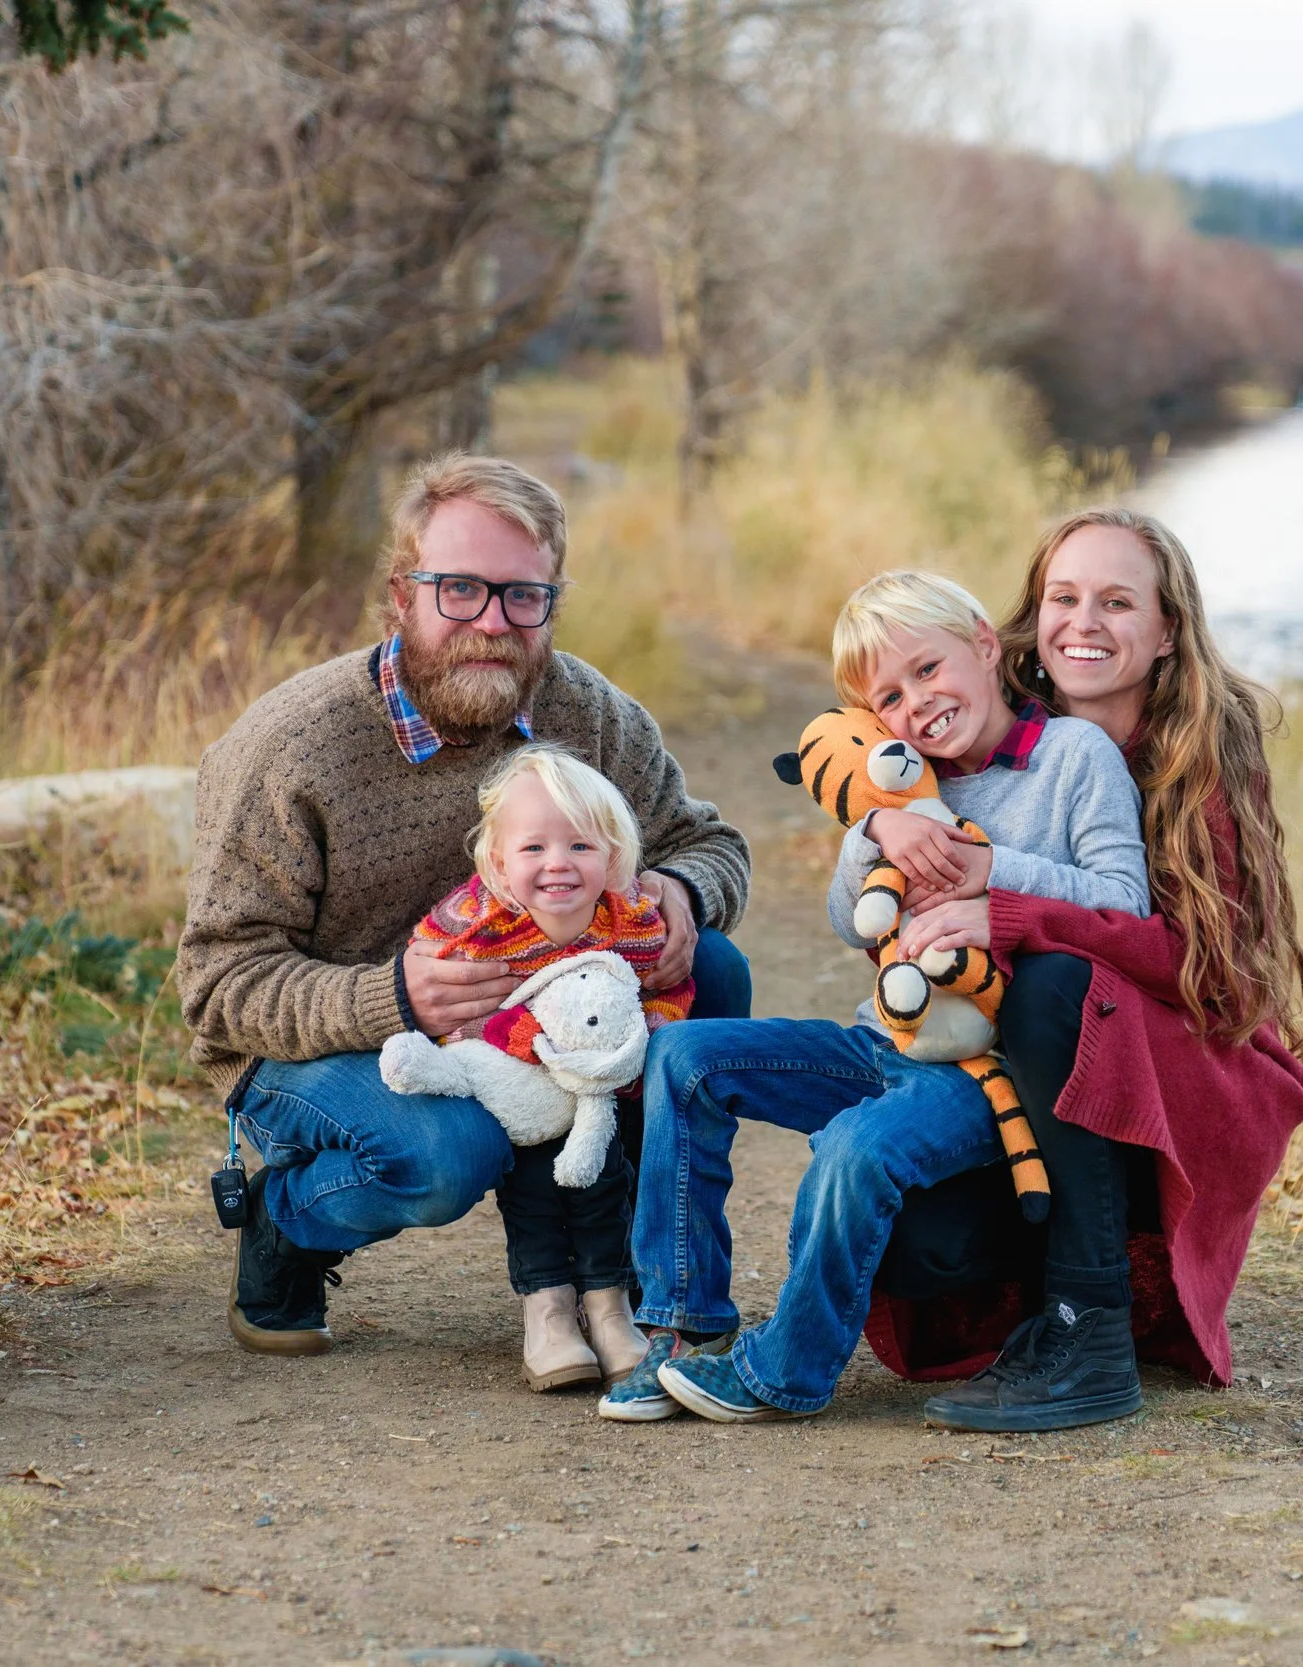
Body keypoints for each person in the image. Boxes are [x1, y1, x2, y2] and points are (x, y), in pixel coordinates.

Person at [175, 454, 752, 1357]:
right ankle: (286, 1219)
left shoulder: (588, 713)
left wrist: (682, 891)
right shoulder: (291, 747)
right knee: (452, 1153)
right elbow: (217, 989)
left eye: (523, 596)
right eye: (461, 591)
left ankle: (635, 1263)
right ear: (401, 594)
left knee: (712, 968)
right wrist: (393, 997)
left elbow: (708, 843)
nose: (493, 622)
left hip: (536, 1008)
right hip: (323, 1044)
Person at [600, 571, 1149, 1423]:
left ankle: (787, 1369)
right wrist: (875, 827)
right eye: (888, 696)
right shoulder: (903, 780)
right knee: (684, 1054)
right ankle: (681, 1324)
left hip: (983, 1071)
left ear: (981, 640)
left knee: (857, 1148)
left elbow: (1124, 902)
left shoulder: (1075, 757)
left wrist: (991, 878)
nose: (917, 704)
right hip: (880, 1044)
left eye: (929, 669)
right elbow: (848, 922)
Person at [880, 508, 1303, 1432]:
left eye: (1118, 603)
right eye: (1064, 597)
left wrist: (1012, 910)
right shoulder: (978, 722)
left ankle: (1091, 1332)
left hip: (1183, 1063)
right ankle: (1037, 1309)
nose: (1084, 622)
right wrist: (885, 822)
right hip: (1013, 1069)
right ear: (1032, 617)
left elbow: (1214, 976)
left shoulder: (1197, 757)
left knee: (1058, 982)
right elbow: (853, 740)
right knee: (926, 1255)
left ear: (1166, 634)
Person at [398, 745, 693, 1392]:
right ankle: (549, 1307)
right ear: (499, 864)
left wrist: (656, 1029)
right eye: (533, 849)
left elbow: (660, 988)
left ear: (614, 857)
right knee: (533, 1191)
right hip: (516, 1087)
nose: (557, 863)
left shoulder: (631, 925)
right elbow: (427, 973)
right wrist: (492, 1042)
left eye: (581, 847)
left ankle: (609, 1305)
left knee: (603, 1185)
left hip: (593, 1091)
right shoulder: (479, 923)